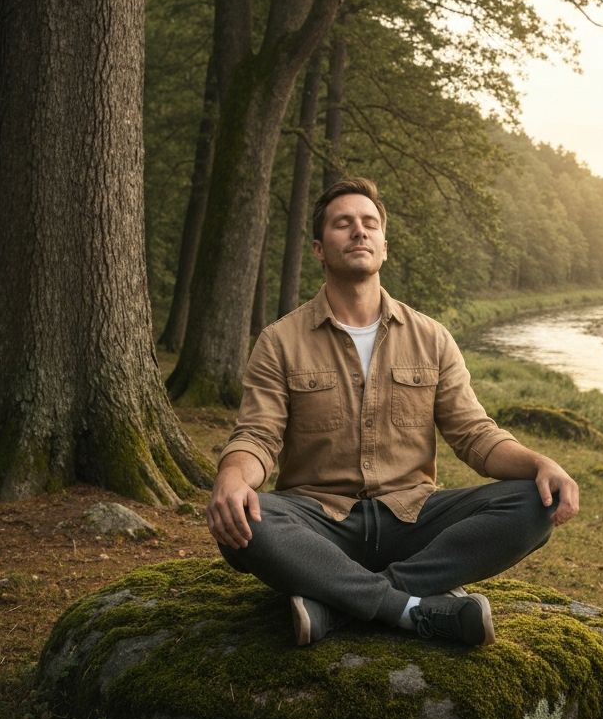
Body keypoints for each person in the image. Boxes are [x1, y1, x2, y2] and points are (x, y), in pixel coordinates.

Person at [207, 177, 579, 647]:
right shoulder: (279, 342)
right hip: (320, 523)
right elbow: (257, 436)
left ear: (384, 246)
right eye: (343, 224)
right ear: (320, 249)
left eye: (369, 223)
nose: (359, 231)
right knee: (246, 518)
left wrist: (541, 464)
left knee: (534, 503)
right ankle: (410, 607)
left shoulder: (432, 338)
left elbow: (475, 435)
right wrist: (232, 477)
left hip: (413, 520)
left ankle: (339, 603)